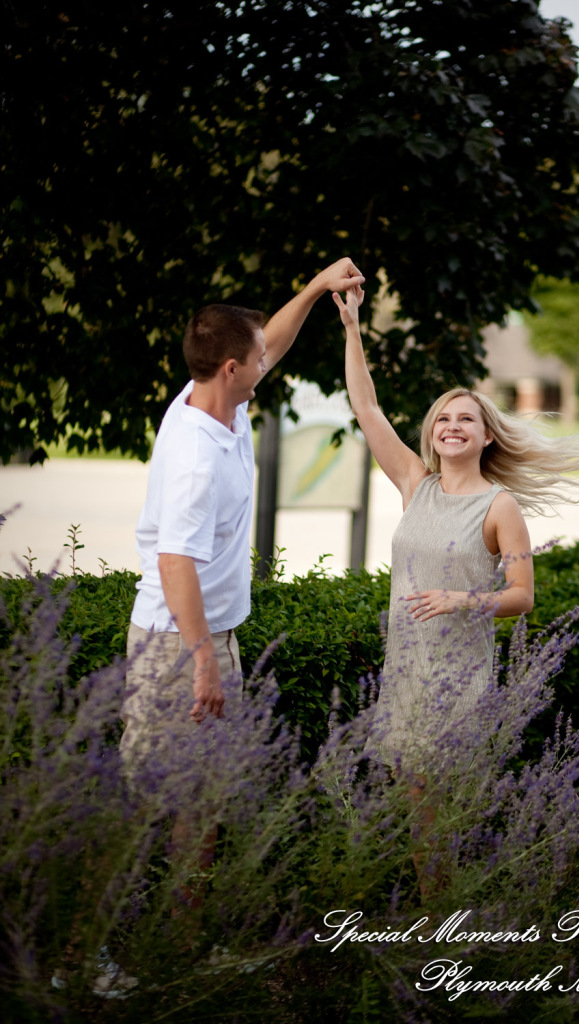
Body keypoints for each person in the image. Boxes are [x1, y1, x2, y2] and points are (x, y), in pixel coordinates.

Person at [333, 283, 579, 889]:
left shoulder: (500, 507)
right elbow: (367, 409)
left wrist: (464, 600)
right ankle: (447, 931)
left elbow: (522, 597)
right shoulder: (413, 482)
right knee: (421, 817)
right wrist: (353, 331)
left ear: (486, 437)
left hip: (458, 680)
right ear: (431, 435)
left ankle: (443, 942)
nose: (453, 426)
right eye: (443, 419)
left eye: (467, 420)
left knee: (434, 819)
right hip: (405, 670)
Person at [121, 257, 364, 925]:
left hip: (209, 640)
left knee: (203, 806)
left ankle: (180, 946)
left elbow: (272, 341)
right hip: (177, 648)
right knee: (151, 806)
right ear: (233, 368)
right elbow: (175, 563)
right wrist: (203, 662)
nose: (267, 364)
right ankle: (94, 958)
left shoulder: (211, 396)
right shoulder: (196, 455)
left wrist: (316, 286)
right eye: (256, 360)